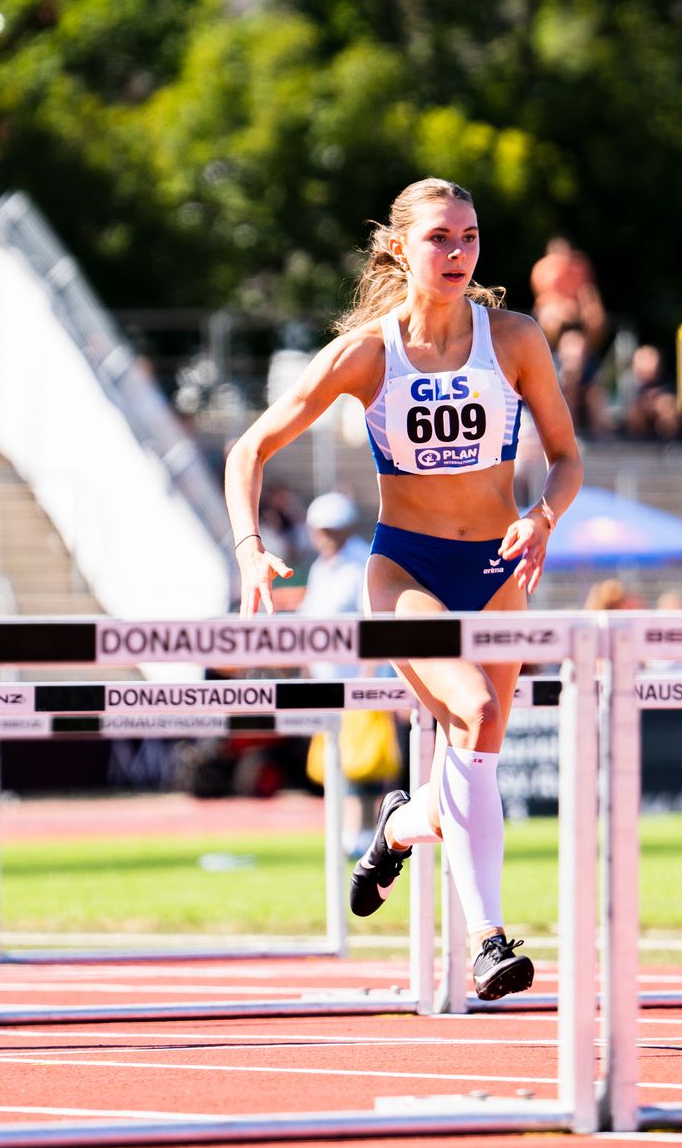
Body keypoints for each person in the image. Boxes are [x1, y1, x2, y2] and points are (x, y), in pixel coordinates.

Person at [224, 177, 582, 1001]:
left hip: (497, 570)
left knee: (475, 760)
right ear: (398, 247)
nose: (457, 253)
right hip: (408, 571)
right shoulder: (369, 353)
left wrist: (543, 515)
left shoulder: (517, 338)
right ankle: (490, 941)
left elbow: (567, 457)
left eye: (469, 237)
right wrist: (250, 548)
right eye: (438, 239)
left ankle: (396, 825)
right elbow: (249, 449)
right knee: (480, 713)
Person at [297, 492, 398, 857]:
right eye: (321, 530)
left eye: (332, 529)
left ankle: (369, 831)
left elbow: (375, 625)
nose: (325, 536)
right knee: (338, 760)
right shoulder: (323, 568)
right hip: (328, 681)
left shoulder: (360, 565)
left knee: (368, 758)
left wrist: (368, 678)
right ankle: (347, 830)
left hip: (360, 678)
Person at [529, 236, 606, 346]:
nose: (562, 256)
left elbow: (588, 290)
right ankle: (551, 354)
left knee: (596, 319)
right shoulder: (542, 269)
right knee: (551, 319)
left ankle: (589, 355)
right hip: (553, 307)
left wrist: (592, 307)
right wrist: (566, 306)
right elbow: (544, 298)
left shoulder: (579, 266)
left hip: (576, 307)